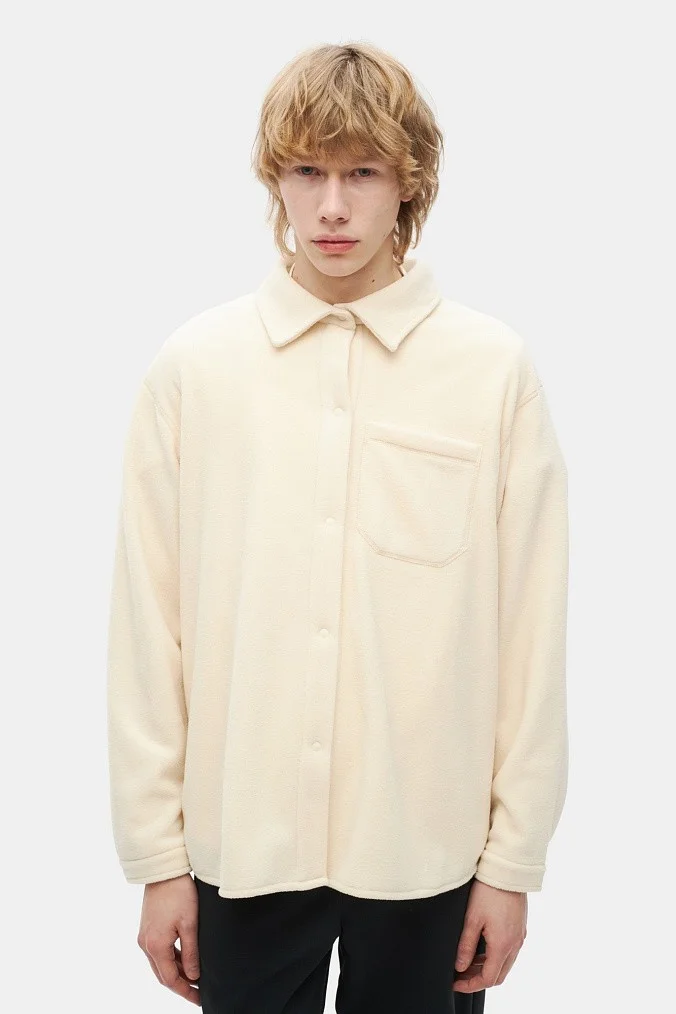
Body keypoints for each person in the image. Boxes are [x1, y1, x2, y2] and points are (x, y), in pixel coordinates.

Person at [106, 40, 569, 1013]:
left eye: (362, 174)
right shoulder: (197, 370)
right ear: (273, 180)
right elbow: (150, 630)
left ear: (410, 184)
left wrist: (512, 861)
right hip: (241, 845)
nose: (330, 207)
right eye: (307, 171)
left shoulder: (490, 371)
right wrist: (156, 857)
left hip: (427, 850)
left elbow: (530, 633)